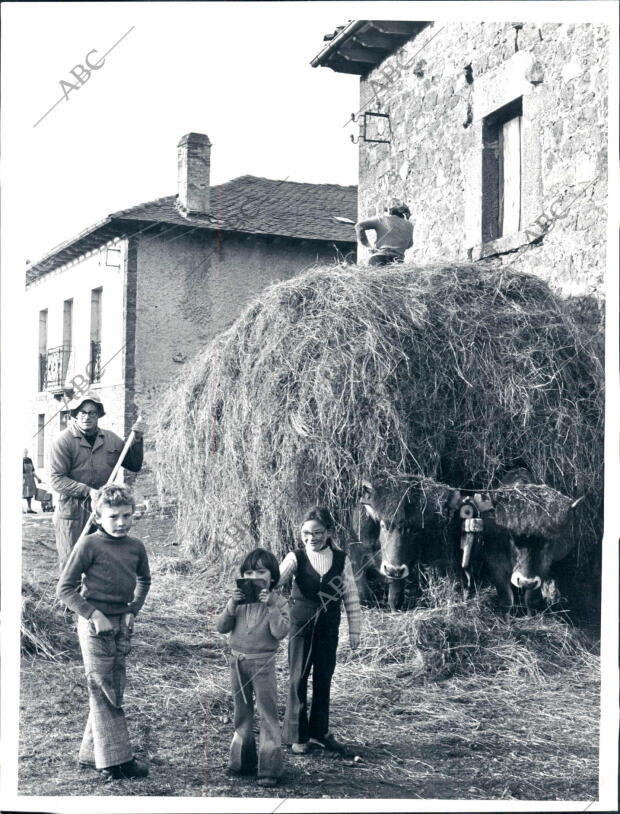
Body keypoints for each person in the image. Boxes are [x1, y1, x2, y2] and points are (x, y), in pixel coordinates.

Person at [56, 484, 151, 781]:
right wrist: (94, 614)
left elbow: (144, 580)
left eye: (126, 515)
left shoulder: (135, 546)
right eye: (113, 517)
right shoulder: (88, 545)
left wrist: (132, 610)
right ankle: (116, 761)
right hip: (94, 624)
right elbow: (65, 589)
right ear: (98, 517)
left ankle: (90, 752)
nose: (121, 522)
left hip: (121, 623)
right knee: (102, 687)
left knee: (113, 685)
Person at [279, 506, 361, 755]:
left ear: (328, 532)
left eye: (317, 533)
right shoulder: (295, 558)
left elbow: (351, 597)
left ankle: (320, 732)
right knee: (298, 679)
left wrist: (355, 631)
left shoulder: (341, 559)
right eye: (305, 533)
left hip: (328, 628)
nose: (310, 538)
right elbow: (275, 583)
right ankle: (298, 735)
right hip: (300, 628)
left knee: (324, 679)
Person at [215, 548, 290, 788]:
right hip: (237, 662)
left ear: (273, 577)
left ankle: (269, 768)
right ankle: (241, 761)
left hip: (263, 663)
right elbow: (221, 627)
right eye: (248, 572)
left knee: (267, 713)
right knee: (242, 711)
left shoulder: (279, 602)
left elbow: (280, 632)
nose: (253, 577)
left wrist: (271, 608)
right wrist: (230, 605)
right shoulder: (239, 601)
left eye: (260, 572)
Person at [49, 392, 144, 571]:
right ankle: (69, 599)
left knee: (102, 563)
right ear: (75, 415)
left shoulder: (111, 439)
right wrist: (88, 491)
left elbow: (134, 464)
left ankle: (96, 598)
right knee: (73, 563)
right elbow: (56, 479)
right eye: (82, 412)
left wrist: (137, 440)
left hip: (104, 510)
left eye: (92, 412)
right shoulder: (63, 441)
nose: (87, 417)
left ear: (99, 415)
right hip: (73, 512)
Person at [355, 200, 414, 266]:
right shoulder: (410, 225)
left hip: (380, 257)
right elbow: (410, 244)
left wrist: (368, 246)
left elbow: (359, 226)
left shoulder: (382, 219)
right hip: (398, 260)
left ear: (389, 211)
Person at [23, 449, 41, 514]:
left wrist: (38, 478)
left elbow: (32, 471)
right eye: (24, 452)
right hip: (23, 478)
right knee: (22, 493)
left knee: (29, 494)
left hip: (30, 478)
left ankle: (29, 508)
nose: (25, 453)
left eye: (26, 452)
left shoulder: (29, 460)